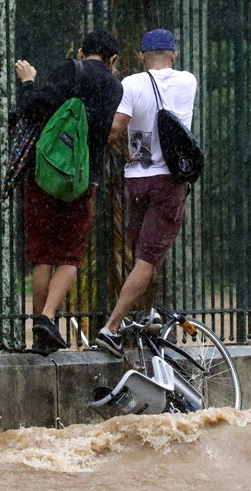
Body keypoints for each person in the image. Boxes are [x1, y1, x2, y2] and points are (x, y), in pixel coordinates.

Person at [14, 30, 123, 354]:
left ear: (81, 50)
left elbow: (32, 109)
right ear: (113, 60)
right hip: (82, 179)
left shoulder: (70, 70)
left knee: (42, 254)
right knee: (69, 255)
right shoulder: (115, 87)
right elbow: (104, 133)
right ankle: (48, 316)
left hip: (45, 175)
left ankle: (41, 325)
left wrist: (28, 80)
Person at [96, 29, 197, 357]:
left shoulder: (131, 83)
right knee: (147, 259)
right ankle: (111, 328)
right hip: (169, 181)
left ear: (140, 56)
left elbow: (116, 129)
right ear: (174, 55)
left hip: (136, 181)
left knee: (143, 256)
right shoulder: (187, 82)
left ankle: (149, 315)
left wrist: (119, 144)